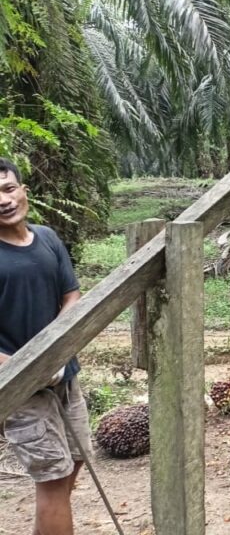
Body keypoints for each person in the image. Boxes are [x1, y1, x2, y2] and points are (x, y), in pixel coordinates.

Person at [0, 158, 89, 535]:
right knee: (53, 481)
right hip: (21, 390)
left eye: (8, 189)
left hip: (66, 378)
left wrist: (57, 350)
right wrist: (25, 366)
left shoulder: (48, 238)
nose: (4, 200)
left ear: (24, 192)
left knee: (76, 460)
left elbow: (71, 295)